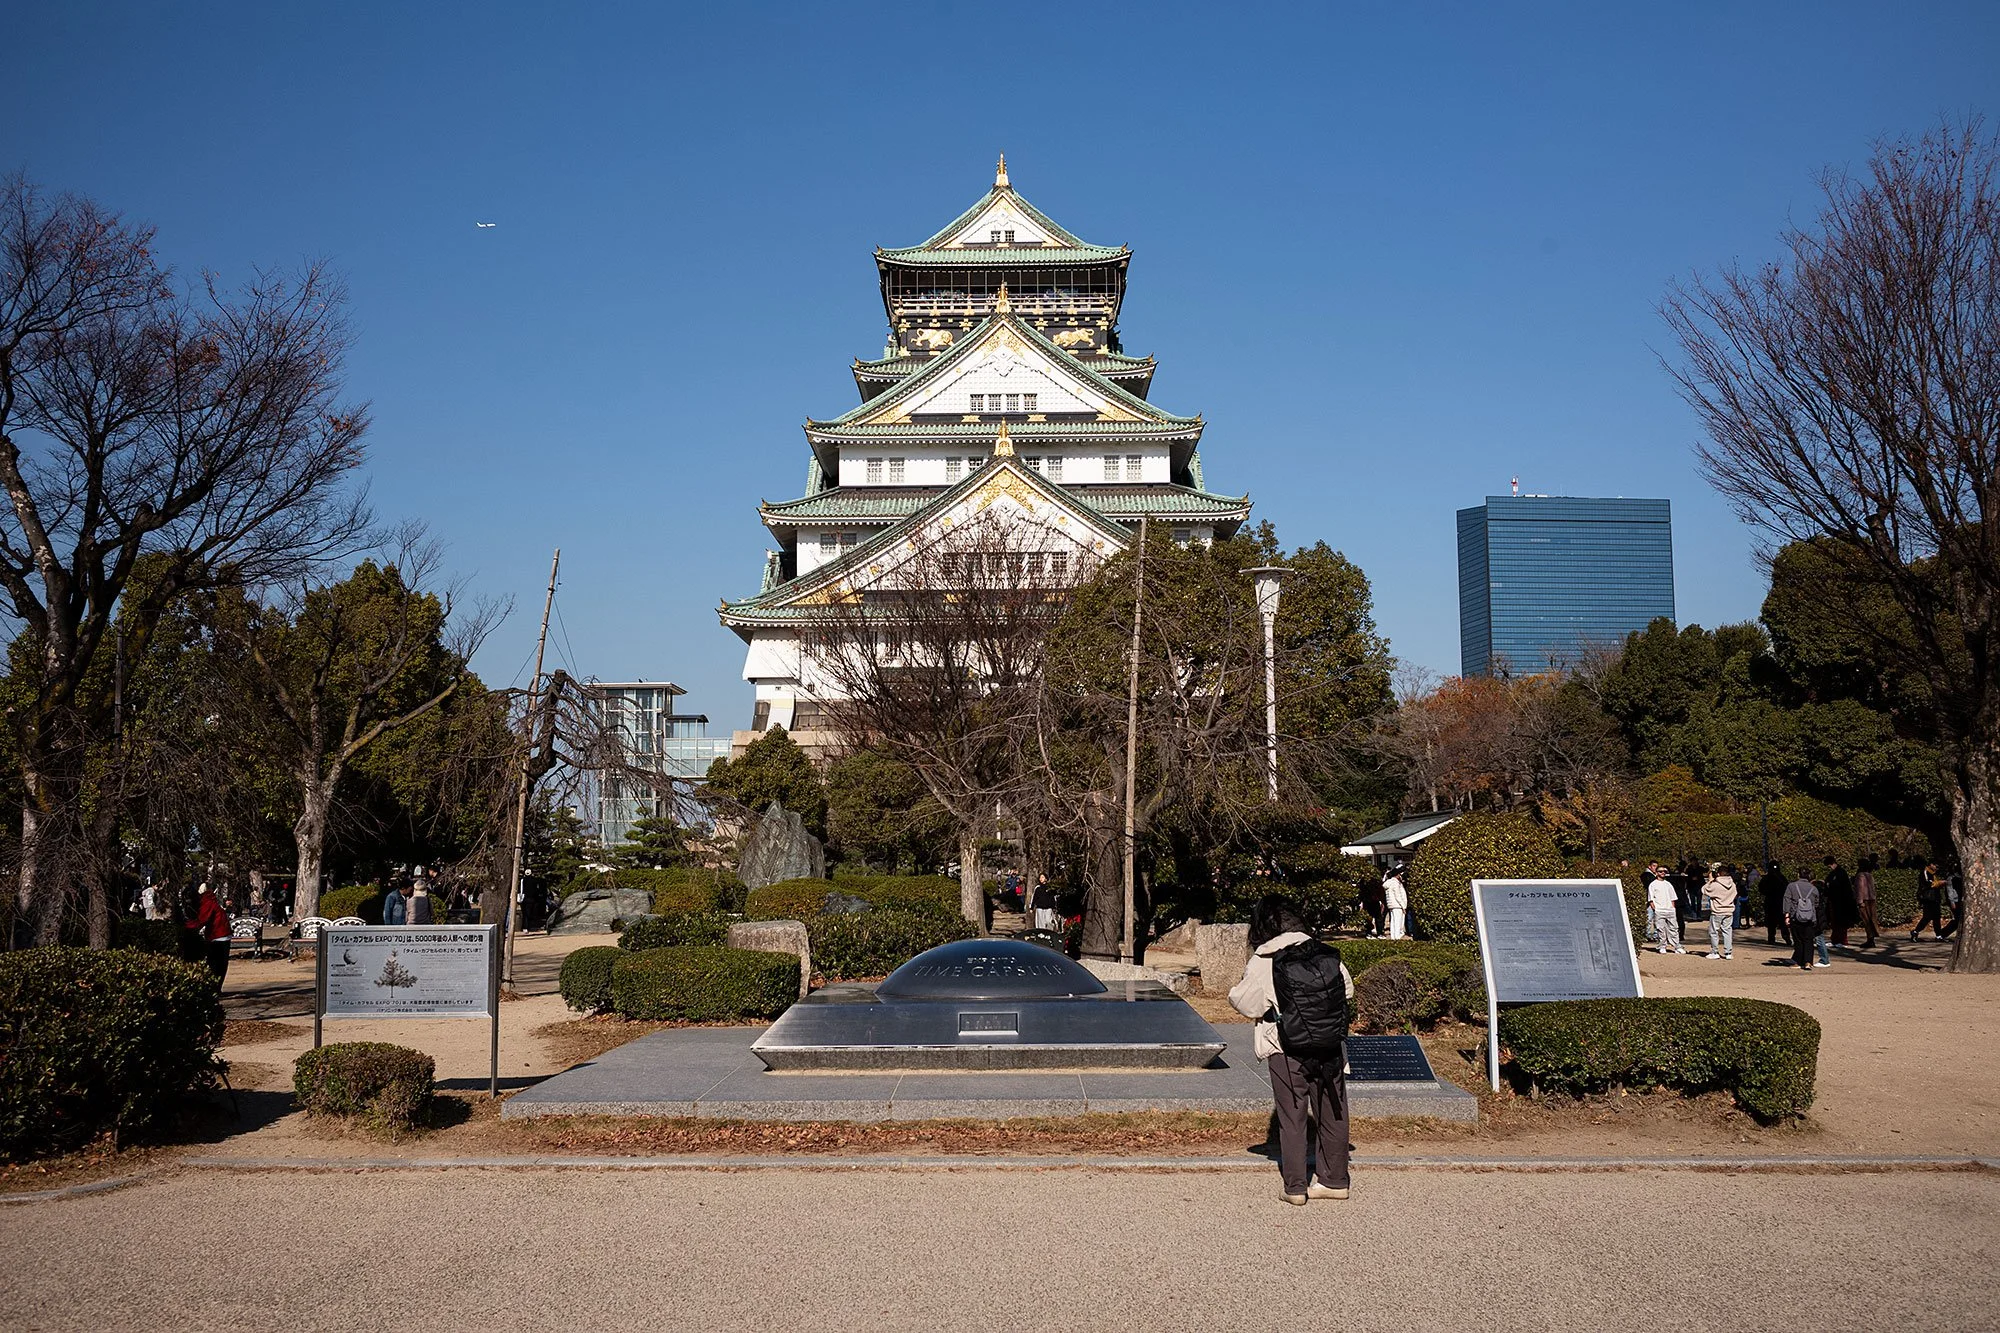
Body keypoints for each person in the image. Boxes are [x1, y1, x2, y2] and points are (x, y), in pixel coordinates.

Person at [1228, 895, 1354, 1206]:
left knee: (1293, 1115)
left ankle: (1295, 1187)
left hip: (1285, 1047)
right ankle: (1334, 1180)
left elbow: (1246, 1003)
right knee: (1333, 1112)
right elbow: (1347, 990)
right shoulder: (1324, 952)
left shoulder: (1264, 959)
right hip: (1330, 1044)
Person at [184, 882, 233, 982]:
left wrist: (187, 927)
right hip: (221, 934)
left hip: (217, 935)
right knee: (220, 963)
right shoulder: (211, 901)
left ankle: (215, 985)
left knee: (215, 963)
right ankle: (217, 984)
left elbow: (202, 920)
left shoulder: (207, 903)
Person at [1783, 871, 1822, 971]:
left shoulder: (1791, 886)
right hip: (1810, 917)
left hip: (1796, 916)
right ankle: (1808, 961)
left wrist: (1787, 914)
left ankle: (1799, 961)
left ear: (1798, 875)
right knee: (1808, 940)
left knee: (1798, 940)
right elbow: (1817, 903)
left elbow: (1787, 900)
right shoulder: (1814, 888)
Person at [1702, 863, 1737, 960]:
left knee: (1714, 932)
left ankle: (1715, 951)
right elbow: (1735, 894)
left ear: (1718, 874)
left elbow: (1704, 890)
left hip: (1718, 911)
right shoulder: (1732, 884)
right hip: (1729, 910)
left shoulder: (1715, 885)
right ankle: (1728, 952)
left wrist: (1710, 881)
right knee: (1727, 931)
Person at [1647, 870, 1684, 955]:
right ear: (1656, 873)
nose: (1662, 873)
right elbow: (1651, 899)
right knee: (1660, 929)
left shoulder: (1668, 884)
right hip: (1659, 910)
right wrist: (1655, 909)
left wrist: (1672, 908)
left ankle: (1677, 946)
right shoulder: (1653, 885)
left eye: (1664, 871)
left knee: (1674, 929)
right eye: (1660, 871)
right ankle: (1662, 946)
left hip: (1670, 910)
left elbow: (1673, 897)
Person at [1824, 858, 1856, 947]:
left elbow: (1843, 888)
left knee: (1841, 921)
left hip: (1841, 901)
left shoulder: (1840, 873)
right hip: (1835, 900)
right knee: (1835, 921)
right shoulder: (1837, 873)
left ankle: (1842, 940)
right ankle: (1835, 939)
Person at [1912, 862, 1946, 941]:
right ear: (1930, 864)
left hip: (1935, 898)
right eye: (1935, 865)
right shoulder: (1925, 872)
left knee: (1937, 917)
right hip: (1928, 898)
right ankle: (1915, 931)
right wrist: (1938, 883)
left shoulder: (1934, 874)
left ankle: (1938, 935)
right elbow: (1927, 884)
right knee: (1927, 917)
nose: (1937, 867)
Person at [1760, 862, 1789, 945]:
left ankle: (1773, 938)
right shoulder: (1781, 878)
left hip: (1772, 902)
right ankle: (1785, 938)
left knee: (1772, 922)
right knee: (1780, 922)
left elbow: (1761, 889)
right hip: (1778, 902)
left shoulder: (1768, 878)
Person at [1853, 855, 1879, 947]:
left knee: (1866, 920)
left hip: (1864, 899)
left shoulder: (1860, 875)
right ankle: (1872, 938)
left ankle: (1870, 938)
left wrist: (1860, 901)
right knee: (1872, 919)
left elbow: (1860, 889)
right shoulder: (1869, 875)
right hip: (1871, 899)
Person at [1382, 865, 1408, 940]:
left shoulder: (1389, 883)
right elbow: (1398, 896)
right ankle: (1397, 937)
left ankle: (1393, 937)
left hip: (1391, 904)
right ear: (1397, 875)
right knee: (1398, 922)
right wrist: (1403, 906)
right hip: (1397, 905)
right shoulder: (1396, 883)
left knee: (1393, 921)